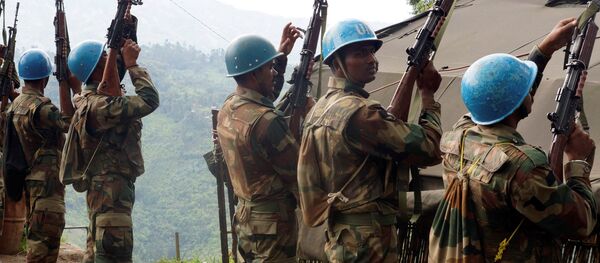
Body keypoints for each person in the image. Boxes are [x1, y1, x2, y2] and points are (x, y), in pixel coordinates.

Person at [428, 18, 598, 262]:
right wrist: (577, 163)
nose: (529, 91)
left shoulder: (456, 139)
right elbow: (582, 223)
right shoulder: (523, 167)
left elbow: (499, 99)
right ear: (520, 101)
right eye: (526, 89)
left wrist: (545, 50)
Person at [297, 19, 443, 262]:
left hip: (345, 237)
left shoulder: (321, 107)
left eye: (371, 52)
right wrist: (428, 96)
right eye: (359, 53)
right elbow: (428, 149)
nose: (371, 60)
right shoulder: (360, 113)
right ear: (336, 63)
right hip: (367, 240)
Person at [61, 39, 159, 262]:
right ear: (96, 70)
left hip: (104, 194)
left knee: (97, 254)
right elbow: (150, 100)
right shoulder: (101, 106)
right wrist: (133, 65)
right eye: (105, 58)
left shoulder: (87, 100)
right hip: (111, 196)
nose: (112, 60)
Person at [217, 23, 301, 262]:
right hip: (272, 224)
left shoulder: (229, 107)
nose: (273, 72)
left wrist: (280, 56)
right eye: (269, 68)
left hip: (245, 216)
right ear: (254, 74)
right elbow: (298, 172)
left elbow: (262, 98)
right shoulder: (267, 121)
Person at [8, 48, 78, 262]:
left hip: (31, 182)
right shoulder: (41, 108)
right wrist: (68, 84)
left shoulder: (17, 104)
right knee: (43, 244)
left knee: (39, 236)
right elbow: (69, 123)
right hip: (46, 186)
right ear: (45, 79)